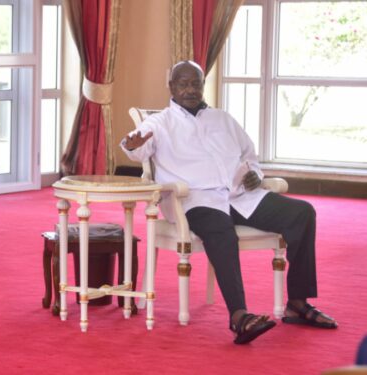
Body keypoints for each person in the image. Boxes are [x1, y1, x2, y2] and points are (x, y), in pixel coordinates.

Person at [120, 60, 337, 344]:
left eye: (195, 83)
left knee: (302, 213)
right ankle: (239, 316)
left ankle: (297, 302)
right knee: (220, 229)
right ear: (171, 87)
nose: (190, 89)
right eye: (183, 83)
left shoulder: (223, 119)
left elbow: (250, 156)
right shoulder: (160, 123)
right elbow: (137, 148)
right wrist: (132, 144)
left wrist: (254, 176)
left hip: (239, 196)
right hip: (195, 200)